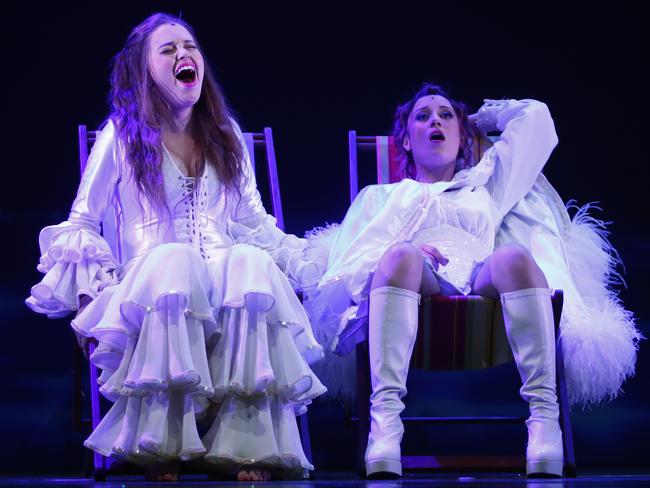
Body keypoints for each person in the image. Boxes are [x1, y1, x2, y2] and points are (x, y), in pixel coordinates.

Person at [26, 12, 326, 482]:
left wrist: (311, 264)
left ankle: (244, 445)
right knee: (176, 261)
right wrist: (86, 297)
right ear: (143, 69)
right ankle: (163, 443)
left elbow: (252, 223)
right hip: (153, 287)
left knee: (250, 260)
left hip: (223, 283)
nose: (184, 55)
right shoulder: (121, 135)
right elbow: (83, 219)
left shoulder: (225, 134)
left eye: (190, 47)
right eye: (168, 50)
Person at [308, 83, 640, 478]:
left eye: (446, 115)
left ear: (462, 136)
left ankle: (544, 424)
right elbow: (348, 261)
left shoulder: (487, 186)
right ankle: (385, 427)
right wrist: (404, 252)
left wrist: (478, 119)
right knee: (399, 256)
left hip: (478, 284)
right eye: (423, 116)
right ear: (407, 142)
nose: (436, 121)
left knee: (515, 257)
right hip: (416, 287)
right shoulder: (377, 196)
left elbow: (537, 120)